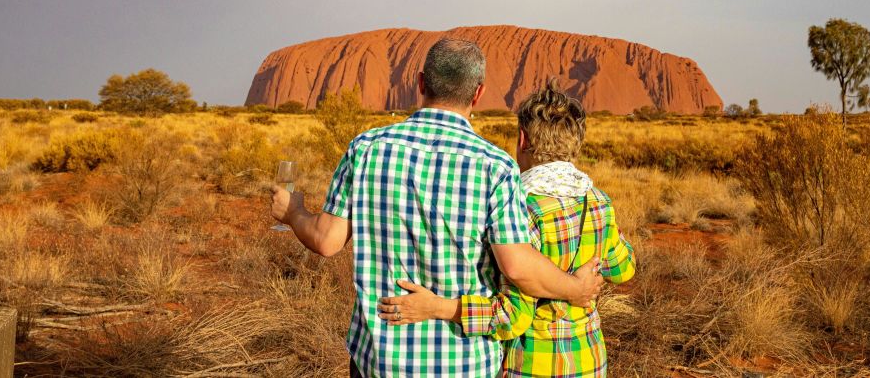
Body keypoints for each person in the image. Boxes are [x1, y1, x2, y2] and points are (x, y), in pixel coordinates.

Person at [271, 40, 603, 378]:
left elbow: (325, 240)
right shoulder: (495, 166)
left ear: (421, 83)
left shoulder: (366, 149)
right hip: (462, 364)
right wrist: (575, 288)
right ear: (478, 93)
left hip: (379, 362)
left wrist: (293, 212)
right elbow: (517, 267)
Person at [377, 80, 635, 378]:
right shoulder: (598, 201)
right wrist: (606, 247)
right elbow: (623, 269)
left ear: (523, 139)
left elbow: (511, 318)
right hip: (589, 360)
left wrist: (437, 307)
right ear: (576, 143)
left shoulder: (520, 208)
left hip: (532, 365)